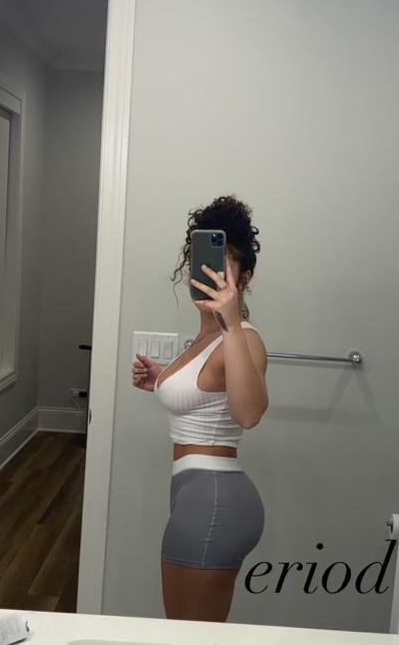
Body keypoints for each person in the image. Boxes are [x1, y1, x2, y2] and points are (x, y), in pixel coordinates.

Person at [131, 195, 269, 622]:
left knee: (188, 637)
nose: (205, 275)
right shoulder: (204, 341)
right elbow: (209, 394)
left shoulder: (242, 338)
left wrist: (230, 321)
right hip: (197, 495)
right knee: (187, 633)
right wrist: (161, 381)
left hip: (214, 499)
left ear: (245, 277)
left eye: (219, 268)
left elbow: (248, 413)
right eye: (199, 264)